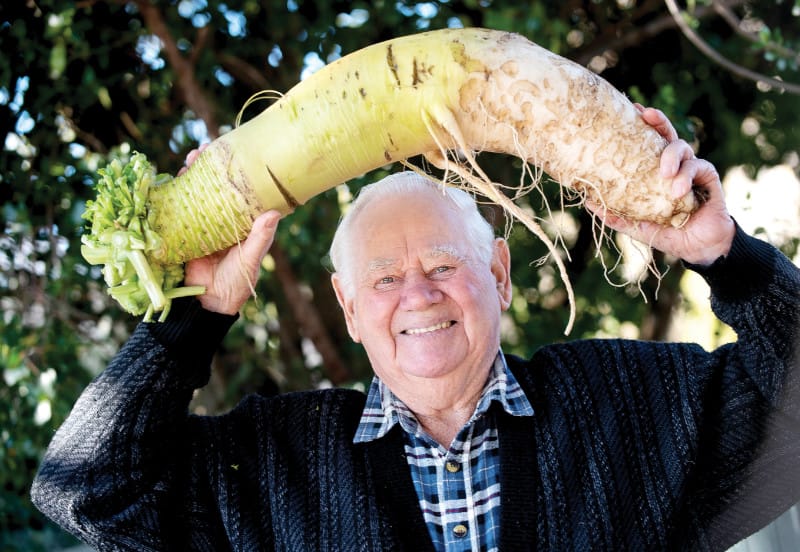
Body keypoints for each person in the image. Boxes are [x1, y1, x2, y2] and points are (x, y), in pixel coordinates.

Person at [32, 108, 799, 551]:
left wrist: (723, 254)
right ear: (349, 309)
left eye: (442, 264)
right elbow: (88, 489)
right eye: (385, 279)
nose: (417, 296)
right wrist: (193, 319)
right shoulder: (266, 468)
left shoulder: (630, 411)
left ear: (498, 275)